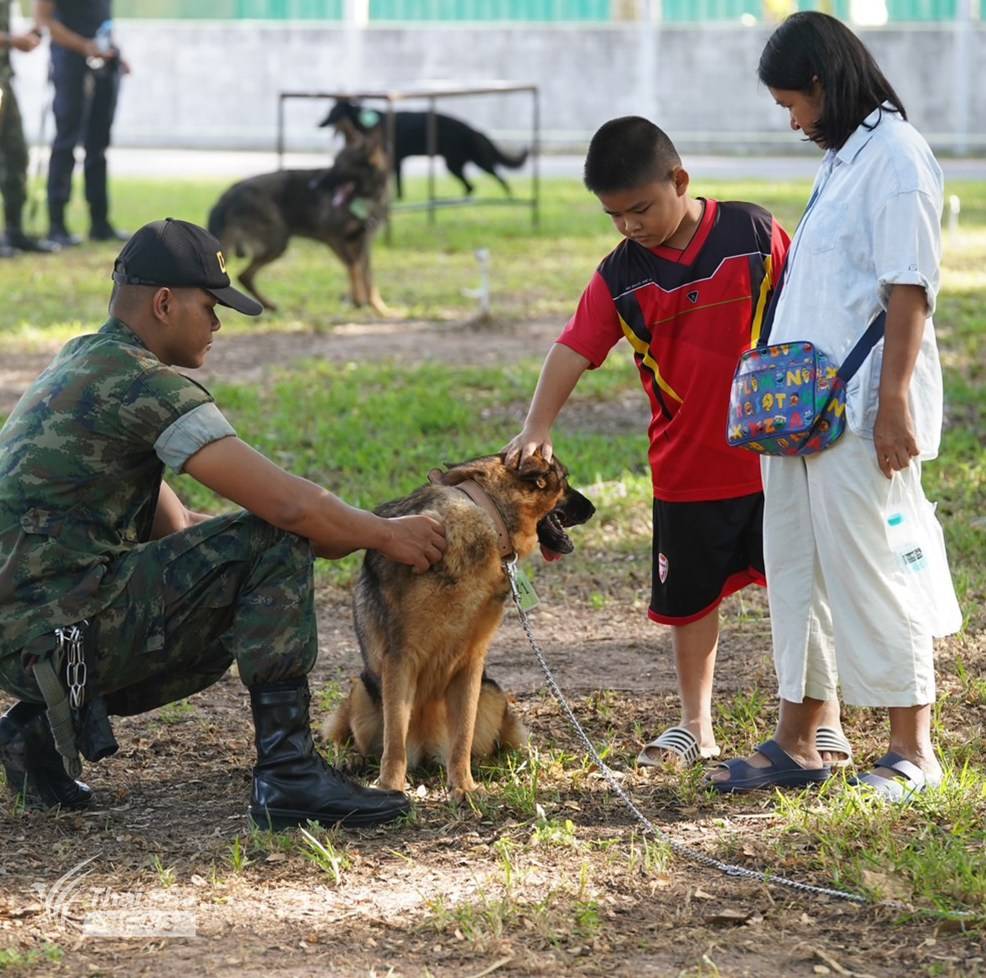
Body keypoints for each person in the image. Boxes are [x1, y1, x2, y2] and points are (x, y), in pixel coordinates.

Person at [0, 218, 447, 829]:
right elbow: (287, 508)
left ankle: (34, 736)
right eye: (210, 307)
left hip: (28, 637)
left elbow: (174, 521)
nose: (217, 324)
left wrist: (314, 537)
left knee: (256, 543)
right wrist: (385, 532)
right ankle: (289, 776)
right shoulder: (146, 385)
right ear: (164, 303)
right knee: (273, 533)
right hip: (56, 635)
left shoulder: (84, 359)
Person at [503, 117, 851, 771]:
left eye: (640, 208)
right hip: (686, 471)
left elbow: (811, 307)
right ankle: (696, 725)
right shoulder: (620, 277)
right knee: (690, 604)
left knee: (801, 592)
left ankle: (821, 716)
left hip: (779, 461)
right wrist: (537, 426)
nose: (630, 226)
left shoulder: (751, 232)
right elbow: (574, 348)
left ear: (679, 181)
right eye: (614, 216)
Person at [711, 12, 958, 799]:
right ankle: (802, 738)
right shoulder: (846, 156)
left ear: (824, 83)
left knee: (872, 567)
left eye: (794, 102)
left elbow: (909, 286)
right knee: (797, 568)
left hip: (859, 409)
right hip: (803, 411)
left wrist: (891, 406)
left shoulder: (897, 158)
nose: (791, 120)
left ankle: (912, 750)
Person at [34, 0, 127, 246]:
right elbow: (43, 20)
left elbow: (100, 20)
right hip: (70, 63)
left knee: (99, 146)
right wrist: (84, 46)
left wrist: (114, 53)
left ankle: (100, 222)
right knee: (66, 143)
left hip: (106, 64)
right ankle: (57, 225)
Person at [0, 0, 57, 255]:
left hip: (4, 79)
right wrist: (12, 41)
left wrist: (27, 35)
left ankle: (15, 231)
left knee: (16, 155)